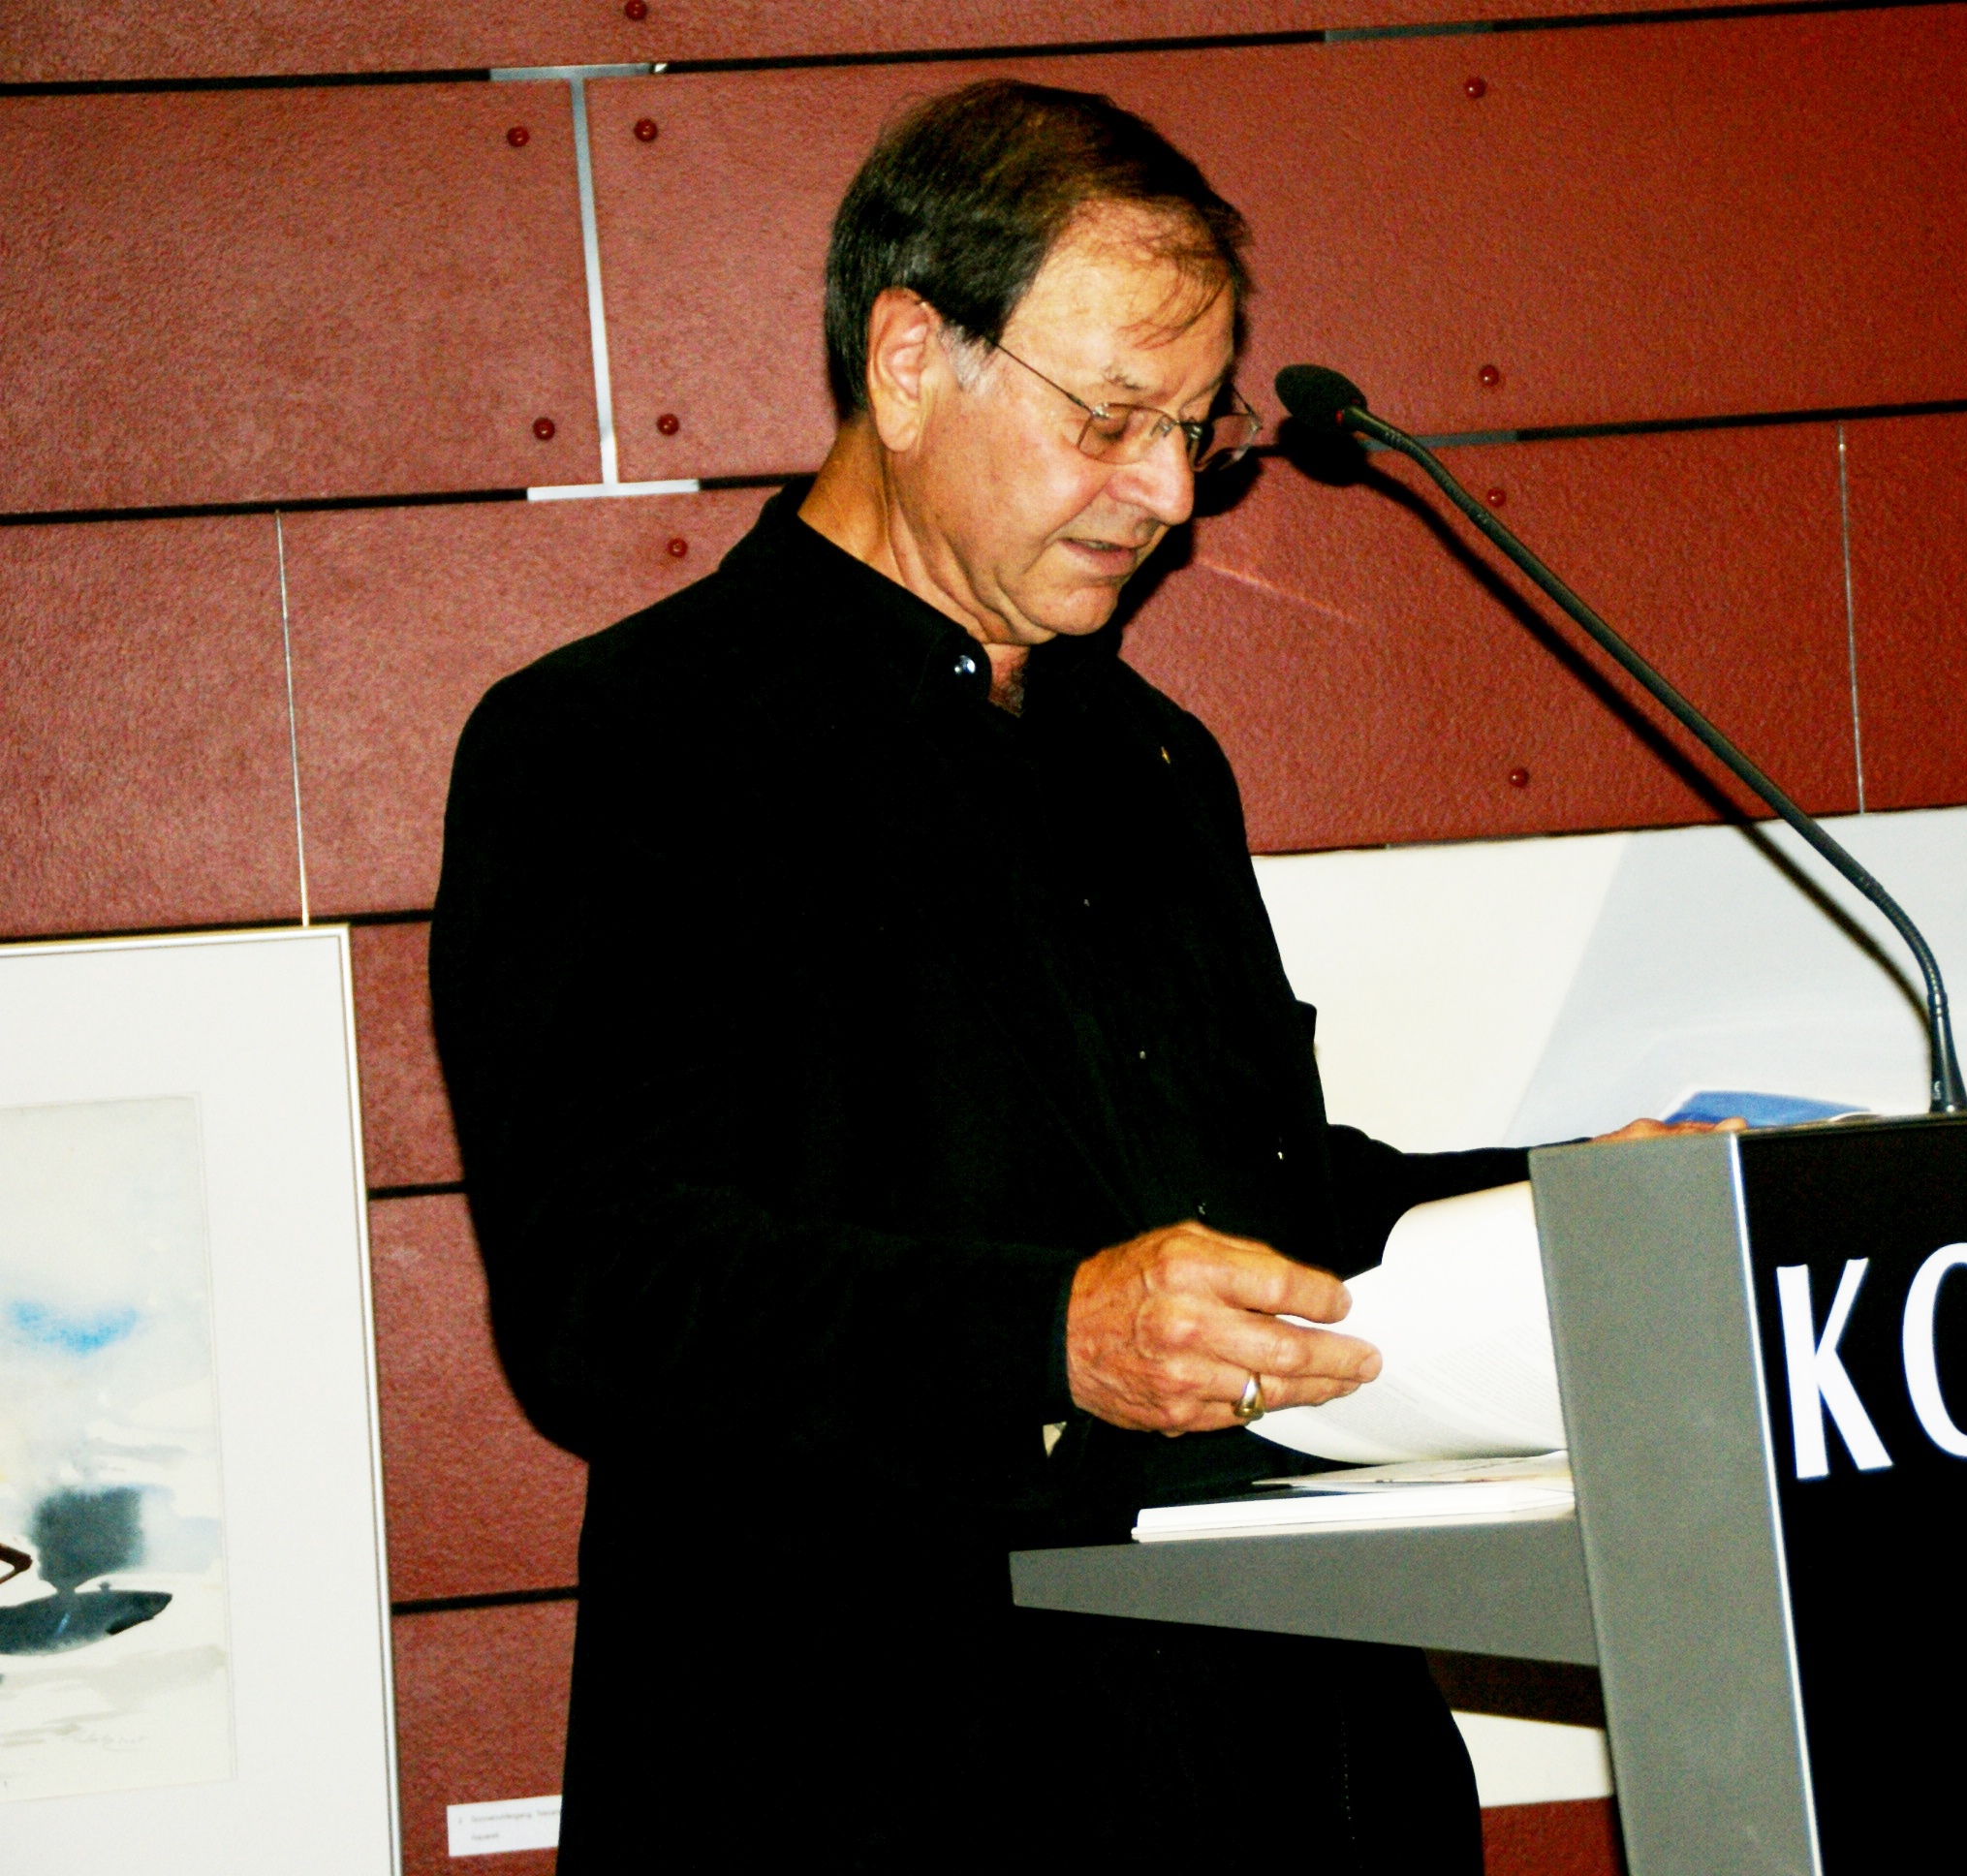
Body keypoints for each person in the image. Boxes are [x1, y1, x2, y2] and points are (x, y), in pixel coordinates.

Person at [433, 78, 1708, 1871]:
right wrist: (1053, 1337)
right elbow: (607, 1298)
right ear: (908, 360)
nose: (1168, 496)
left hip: (1281, 1771)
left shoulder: (1155, 761)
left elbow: (1260, 1207)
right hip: (878, 1781)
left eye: (1198, 431)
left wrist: (1576, 1213)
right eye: (1111, 419)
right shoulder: (614, 748)